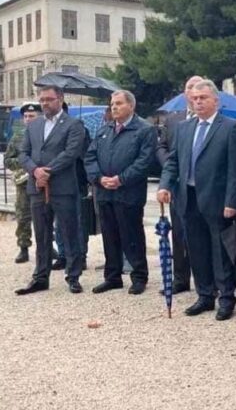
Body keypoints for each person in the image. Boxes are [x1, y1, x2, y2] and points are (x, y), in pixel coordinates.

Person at [157, 80, 236, 319]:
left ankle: (226, 297)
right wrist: (165, 185)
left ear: (216, 101)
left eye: (203, 98)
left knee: (220, 251)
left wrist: (231, 202)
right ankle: (205, 295)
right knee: (196, 249)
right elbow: (173, 160)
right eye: (195, 98)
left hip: (217, 200)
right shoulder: (184, 128)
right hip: (188, 197)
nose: (198, 102)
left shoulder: (230, 127)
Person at [14, 86, 88, 295]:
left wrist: (48, 171)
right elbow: (23, 152)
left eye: (49, 99)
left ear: (60, 99)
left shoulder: (74, 124)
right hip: (37, 187)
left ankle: (73, 276)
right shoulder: (34, 125)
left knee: (69, 232)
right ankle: (40, 276)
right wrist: (35, 171)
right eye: (42, 100)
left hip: (63, 187)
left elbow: (71, 152)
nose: (45, 103)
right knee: (42, 234)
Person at [85, 90, 157, 296]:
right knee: (109, 235)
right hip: (104, 193)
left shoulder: (144, 130)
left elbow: (144, 161)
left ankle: (139, 276)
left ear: (131, 106)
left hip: (129, 193)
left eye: (118, 103)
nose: (114, 107)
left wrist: (121, 179)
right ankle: (112, 276)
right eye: (112, 104)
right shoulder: (104, 129)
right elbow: (90, 157)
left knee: (131, 235)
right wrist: (99, 178)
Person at [155, 75, 205, 294]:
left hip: (202, 187)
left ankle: (206, 280)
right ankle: (180, 278)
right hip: (177, 185)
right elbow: (162, 147)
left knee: (201, 235)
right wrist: (172, 167)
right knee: (178, 233)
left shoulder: (212, 118)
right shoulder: (173, 119)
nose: (193, 91)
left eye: (197, 87)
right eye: (189, 87)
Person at [4, 103, 40, 263]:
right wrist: (23, 163)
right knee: (23, 216)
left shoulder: (45, 135)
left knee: (45, 216)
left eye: (31, 116)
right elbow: (7, 160)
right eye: (25, 116)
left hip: (41, 181)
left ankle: (47, 247)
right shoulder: (17, 137)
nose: (28, 119)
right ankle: (23, 248)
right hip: (24, 183)